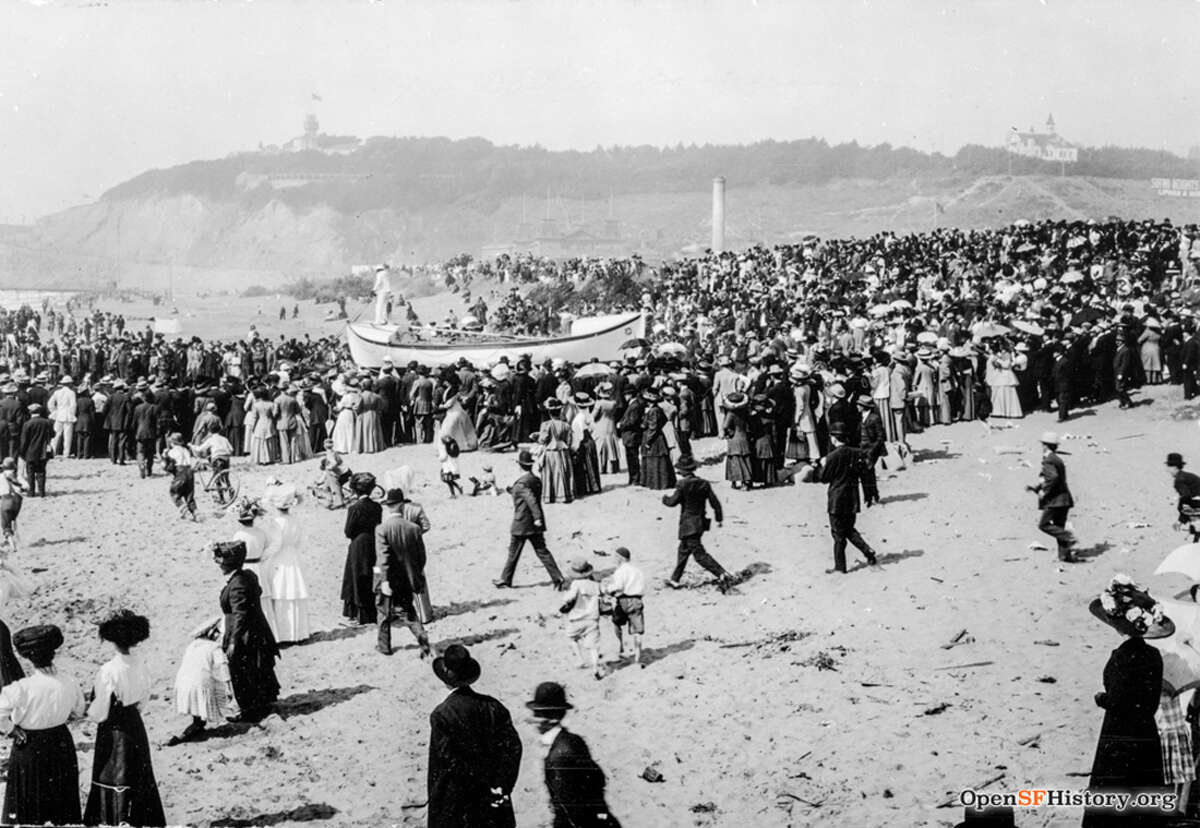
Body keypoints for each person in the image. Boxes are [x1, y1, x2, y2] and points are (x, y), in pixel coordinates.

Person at [1084, 575, 1172, 826]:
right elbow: (1146, 700)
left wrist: (1102, 699)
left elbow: (1120, 701)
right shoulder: (1154, 656)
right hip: (1146, 733)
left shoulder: (1122, 656)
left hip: (1119, 734)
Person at [84, 610, 165, 827]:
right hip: (134, 723)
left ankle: (114, 818)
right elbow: (145, 697)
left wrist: (90, 714)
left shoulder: (108, 670)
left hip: (114, 727)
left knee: (114, 773)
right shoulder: (139, 663)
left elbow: (100, 709)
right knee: (139, 772)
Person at [427, 644, 522, 828]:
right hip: (493, 799)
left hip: (458, 804)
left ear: (446, 677)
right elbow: (514, 749)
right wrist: (502, 784)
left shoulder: (441, 715)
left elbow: (448, 762)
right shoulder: (493, 706)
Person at [0, 625, 85, 827]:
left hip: (29, 746)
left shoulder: (21, 688)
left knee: (28, 805)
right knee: (61, 804)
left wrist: (11, 729)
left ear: (28, 657)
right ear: (53, 653)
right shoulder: (69, 682)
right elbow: (78, 711)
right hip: (61, 743)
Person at [525, 682, 621, 828]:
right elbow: (598, 778)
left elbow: (569, 806)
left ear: (549, 719)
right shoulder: (573, 740)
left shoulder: (558, 756)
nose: (533, 721)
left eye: (537, 714)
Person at [213, 540, 279, 723]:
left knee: (243, 672)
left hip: (244, 634)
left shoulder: (237, 585)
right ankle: (260, 705)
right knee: (257, 670)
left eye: (222, 564)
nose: (220, 567)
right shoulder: (247, 576)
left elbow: (240, 614)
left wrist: (233, 640)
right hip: (256, 631)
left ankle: (251, 711)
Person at [810, 424, 879, 573]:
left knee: (838, 534)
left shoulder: (832, 457)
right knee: (849, 529)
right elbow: (865, 470)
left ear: (835, 439)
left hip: (837, 499)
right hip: (852, 498)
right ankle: (868, 551)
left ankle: (840, 567)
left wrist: (818, 466)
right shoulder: (857, 453)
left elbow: (823, 478)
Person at [494, 450, 565, 590]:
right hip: (534, 525)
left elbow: (530, 499)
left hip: (521, 523)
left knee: (513, 552)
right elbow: (528, 496)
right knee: (542, 551)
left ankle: (505, 579)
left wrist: (537, 516)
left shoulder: (521, 484)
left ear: (519, 466)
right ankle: (557, 577)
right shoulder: (535, 480)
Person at [662, 455, 735, 591]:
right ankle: (675, 579)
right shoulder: (704, 484)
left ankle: (722, 574)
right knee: (683, 551)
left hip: (688, 525)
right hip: (700, 523)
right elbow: (715, 504)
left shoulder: (682, 485)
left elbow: (672, 502)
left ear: (683, 471)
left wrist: (664, 498)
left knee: (699, 555)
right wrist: (719, 519)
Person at [373, 488, 431, 657]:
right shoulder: (413, 528)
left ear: (388, 507)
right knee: (408, 611)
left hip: (388, 578)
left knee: (383, 611)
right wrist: (415, 573)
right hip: (406, 578)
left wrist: (383, 580)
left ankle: (384, 646)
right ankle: (423, 638)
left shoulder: (381, 529)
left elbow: (382, 558)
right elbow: (421, 557)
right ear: (402, 506)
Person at [168, 617, 236, 745]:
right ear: (212, 634)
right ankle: (199, 724)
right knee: (212, 686)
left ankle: (196, 723)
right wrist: (228, 686)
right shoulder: (215, 647)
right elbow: (223, 666)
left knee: (199, 691)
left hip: (182, 683)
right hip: (199, 685)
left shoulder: (192, 645)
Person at [260, 481, 311, 644]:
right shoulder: (294, 520)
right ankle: (298, 633)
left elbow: (275, 545)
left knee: (281, 594)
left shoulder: (276, 523)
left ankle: (283, 634)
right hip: (293, 557)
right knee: (293, 594)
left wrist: (262, 556)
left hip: (280, 560)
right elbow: (301, 541)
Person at [1026, 431, 1077, 563]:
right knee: (1059, 527)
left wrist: (1044, 492)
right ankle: (1065, 556)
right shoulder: (1056, 459)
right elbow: (1051, 478)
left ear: (1045, 445)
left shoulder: (1048, 460)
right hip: (1064, 499)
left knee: (1044, 525)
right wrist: (1036, 488)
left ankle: (1068, 537)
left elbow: (1052, 478)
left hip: (1055, 500)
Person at [231, 497, 276, 638]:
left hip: (245, 567)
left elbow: (235, 553)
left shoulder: (239, 535)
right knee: (263, 599)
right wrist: (262, 557)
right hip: (259, 566)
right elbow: (269, 547)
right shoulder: (261, 533)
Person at [341, 474, 382, 626]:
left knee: (356, 577)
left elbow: (348, 531)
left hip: (358, 545)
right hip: (373, 543)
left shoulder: (354, 508)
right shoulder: (377, 507)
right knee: (372, 575)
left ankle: (358, 614)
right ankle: (373, 611)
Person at [560, 559, 604, 680]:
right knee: (594, 646)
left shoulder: (576, 584)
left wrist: (565, 598)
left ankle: (580, 659)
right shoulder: (595, 585)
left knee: (572, 638)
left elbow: (568, 598)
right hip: (593, 619)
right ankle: (595, 668)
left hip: (577, 618)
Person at [602, 546, 645, 667]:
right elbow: (642, 587)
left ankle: (620, 645)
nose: (614, 560)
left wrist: (608, 589)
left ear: (620, 558)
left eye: (615, 557)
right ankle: (637, 657)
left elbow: (618, 586)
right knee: (637, 631)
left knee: (616, 622)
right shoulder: (637, 571)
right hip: (637, 600)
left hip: (623, 600)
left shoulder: (620, 571)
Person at [538, 399, 574, 503]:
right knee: (562, 473)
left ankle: (550, 495)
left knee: (551, 474)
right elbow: (569, 440)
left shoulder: (546, 425)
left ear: (549, 412)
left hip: (551, 451)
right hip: (563, 451)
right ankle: (564, 495)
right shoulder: (566, 425)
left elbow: (542, 439)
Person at [17, 404, 53, 497]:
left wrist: (21, 452)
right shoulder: (47, 422)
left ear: (30, 412)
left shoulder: (27, 424)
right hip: (43, 451)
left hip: (30, 451)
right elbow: (53, 434)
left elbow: (24, 440)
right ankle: (42, 492)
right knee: (41, 472)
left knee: (30, 472)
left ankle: (31, 492)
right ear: (40, 412)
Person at [162, 432, 198, 520]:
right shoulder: (186, 450)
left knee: (174, 493)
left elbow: (165, 466)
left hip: (180, 472)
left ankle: (185, 511)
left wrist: (164, 455)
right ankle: (196, 513)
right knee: (189, 496)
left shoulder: (172, 452)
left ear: (172, 442)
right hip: (190, 472)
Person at [1166, 453, 1200, 525]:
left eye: (1168, 467)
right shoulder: (1188, 476)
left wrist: (1180, 520)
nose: (1167, 470)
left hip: (1197, 504)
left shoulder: (1179, 480)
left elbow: (1186, 496)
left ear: (1174, 467)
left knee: (1182, 505)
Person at [0, 458, 26, 553]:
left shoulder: (1, 476)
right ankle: (15, 539)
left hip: (6, 499)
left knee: (5, 524)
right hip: (17, 501)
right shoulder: (17, 476)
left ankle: (13, 545)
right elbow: (26, 487)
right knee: (12, 519)